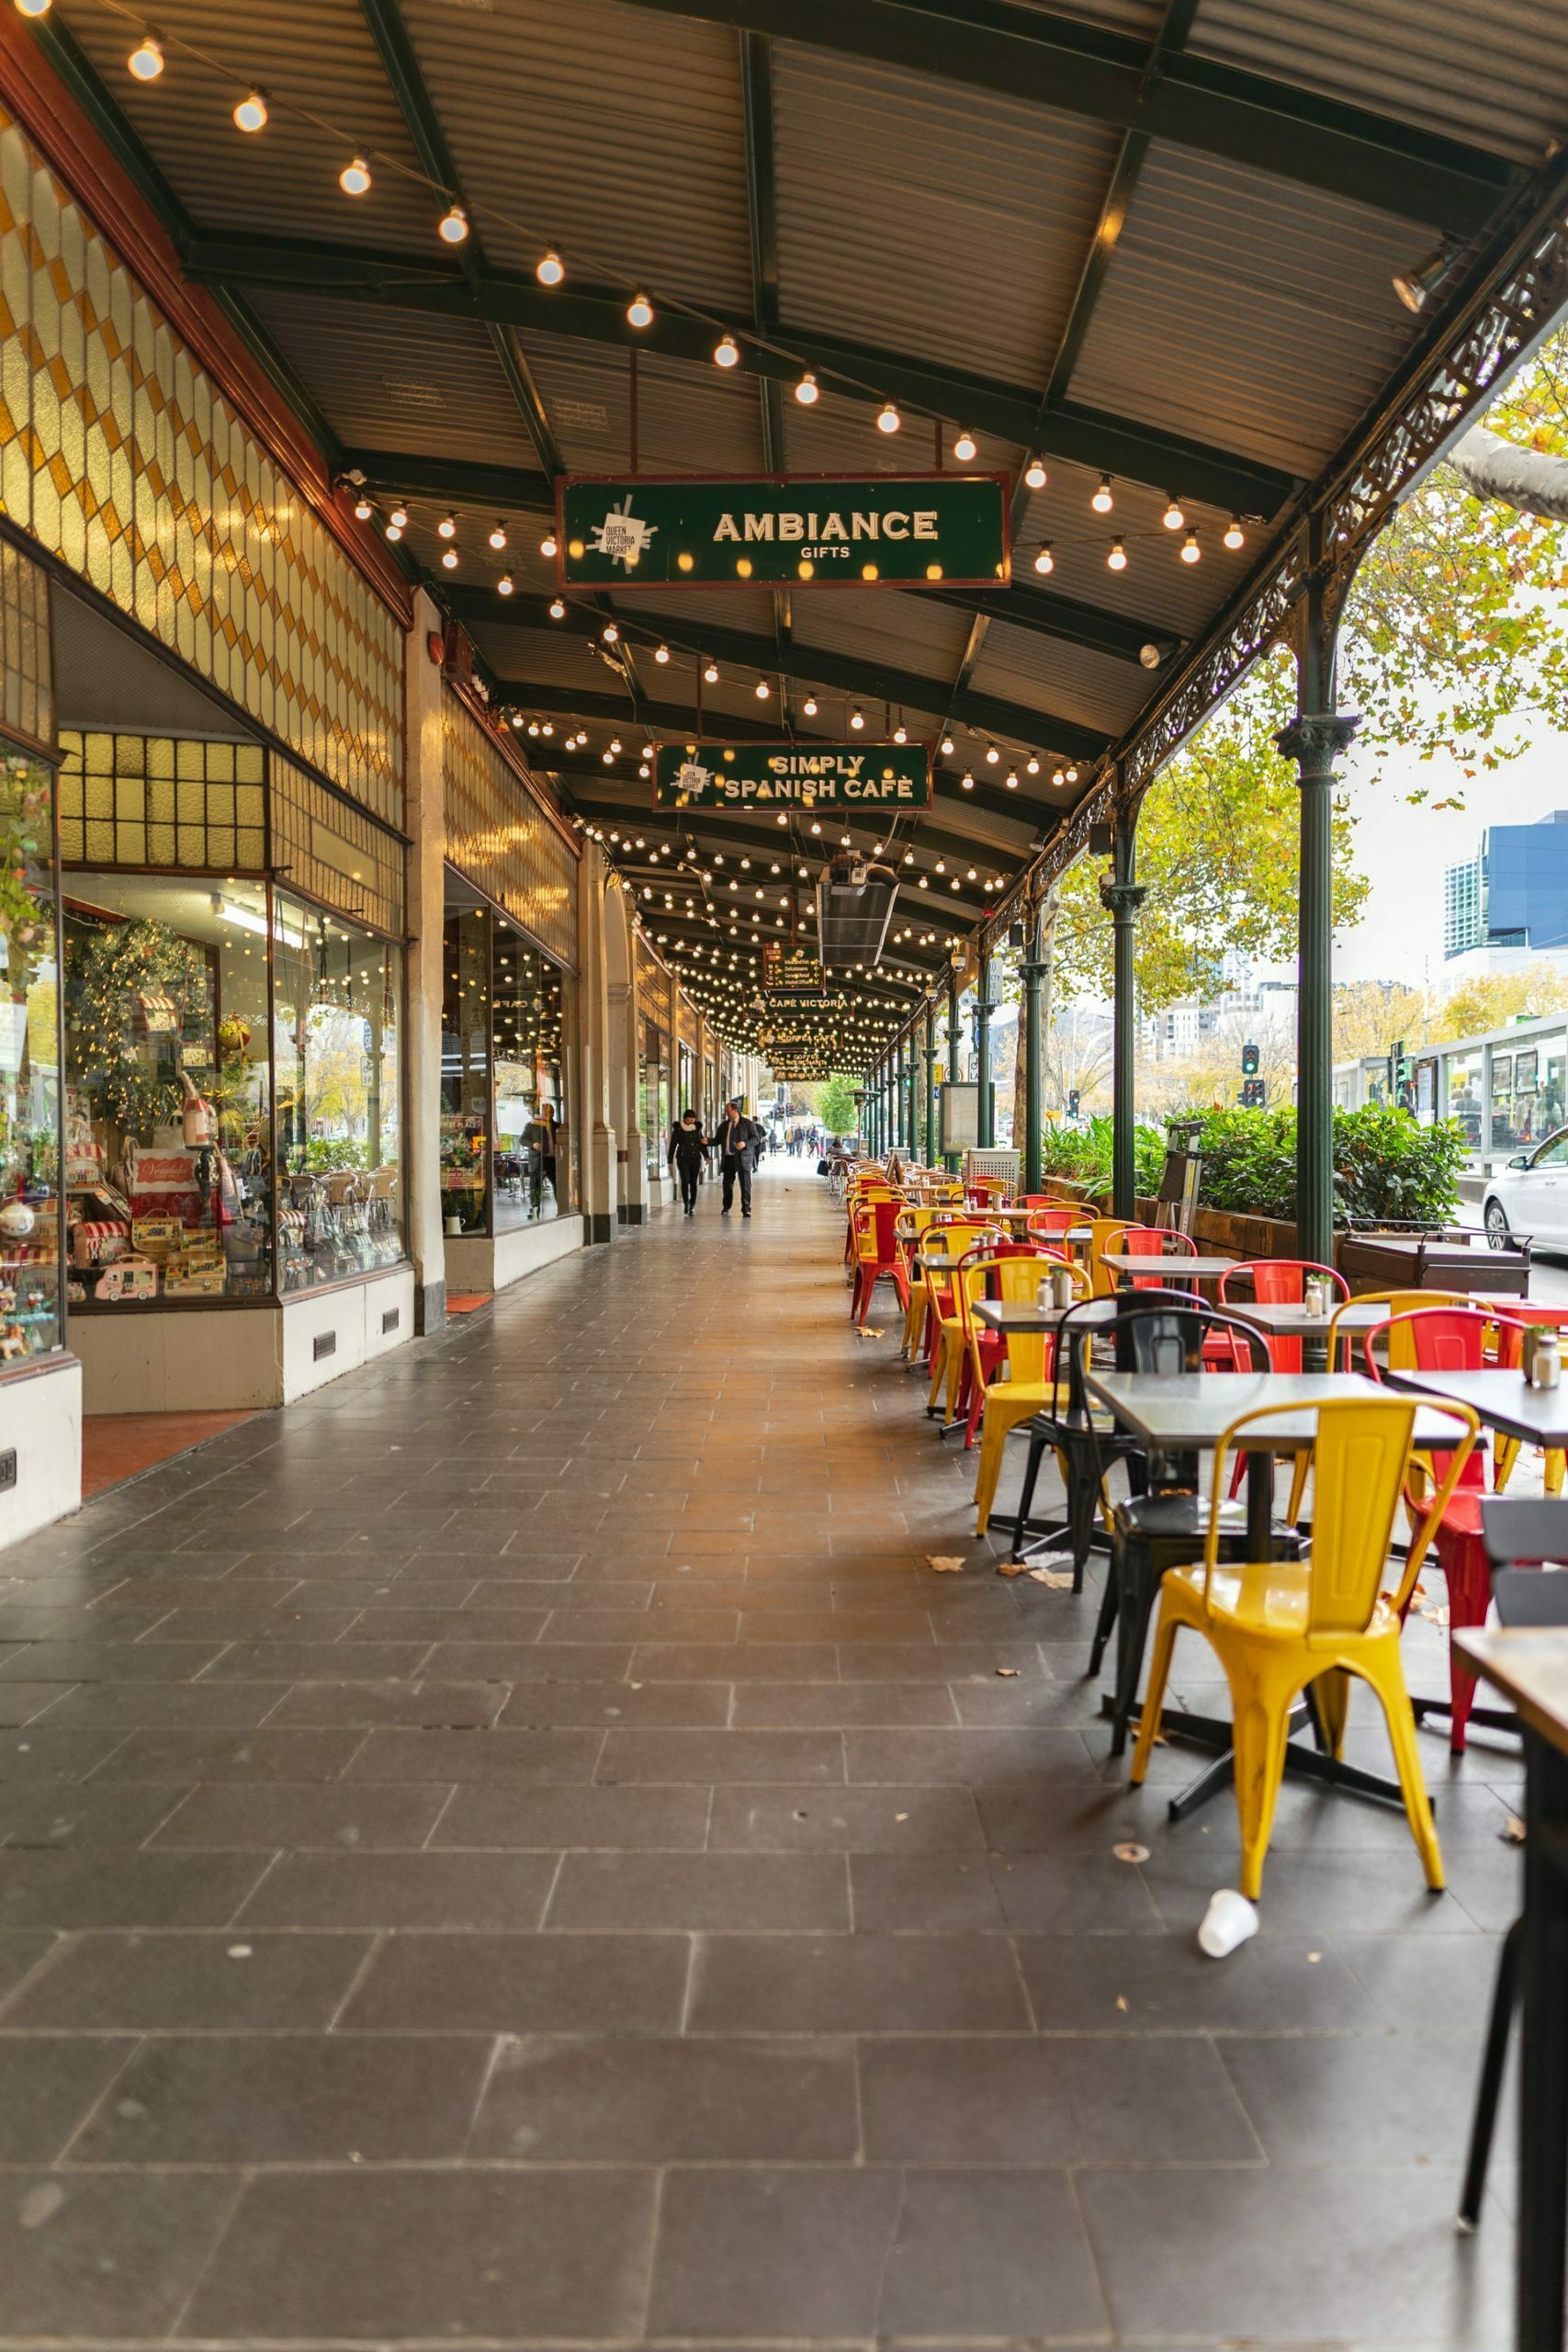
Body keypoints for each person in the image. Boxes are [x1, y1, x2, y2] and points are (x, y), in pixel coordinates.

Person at [712, 1096, 761, 1217]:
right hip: (729, 1159)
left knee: (745, 1185)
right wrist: (706, 1141)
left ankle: (746, 1209)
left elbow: (756, 1139)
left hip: (743, 1158)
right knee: (727, 1185)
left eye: (728, 1111)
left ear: (735, 1111)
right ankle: (726, 1207)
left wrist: (745, 1144)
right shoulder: (724, 1126)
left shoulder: (748, 1124)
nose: (726, 1114)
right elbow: (717, 1140)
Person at [666, 1107, 708, 1216]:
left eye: (693, 1118)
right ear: (685, 1118)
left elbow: (701, 1143)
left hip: (695, 1159)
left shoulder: (697, 1129)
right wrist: (670, 1161)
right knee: (685, 1180)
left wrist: (707, 1156)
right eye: (689, 1118)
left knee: (693, 1182)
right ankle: (686, 1203)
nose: (692, 1120)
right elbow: (672, 1145)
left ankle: (692, 1204)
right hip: (682, 1158)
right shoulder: (679, 1129)